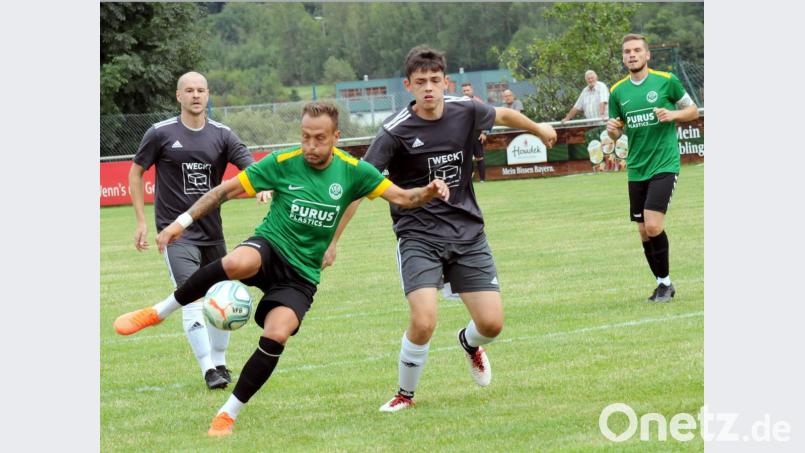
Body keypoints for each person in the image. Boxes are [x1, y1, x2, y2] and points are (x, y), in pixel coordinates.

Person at [114, 101, 450, 436]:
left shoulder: (355, 171)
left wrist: (429, 191)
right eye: (305, 137)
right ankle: (159, 311)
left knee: (277, 334)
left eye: (319, 138)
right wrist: (180, 223)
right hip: (271, 246)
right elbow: (224, 191)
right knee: (235, 261)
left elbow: (405, 198)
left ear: (336, 136)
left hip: (302, 273)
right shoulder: (284, 162)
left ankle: (228, 413)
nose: (310, 146)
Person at [324, 45, 556, 412]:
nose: (429, 88)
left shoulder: (465, 111)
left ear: (446, 81)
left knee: (492, 324)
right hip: (418, 235)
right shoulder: (394, 132)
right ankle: (405, 394)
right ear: (408, 85)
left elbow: (504, 114)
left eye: (435, 80)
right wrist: (332, 242)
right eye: (421, 82)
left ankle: (468, 342)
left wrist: (538, 128)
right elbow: (359, 186)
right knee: (423, 319)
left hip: (468, 231)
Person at [129, 71, 269, 390]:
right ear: (178, 96)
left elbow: (250, 166)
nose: (195, 95)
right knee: (191, 295)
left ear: (208, 95)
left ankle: (219, 362)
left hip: (212, 233)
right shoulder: (160, 133)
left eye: (201, 90)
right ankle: (209, 370)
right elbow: (136, 172)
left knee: (219, 297)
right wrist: (140, 221)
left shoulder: (222, 134)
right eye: (189, 90)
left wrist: (260, 187)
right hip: (176, 233)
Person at [606, 33, 699, 302]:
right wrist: (612, 131)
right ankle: (662, 284)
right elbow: (615, 133)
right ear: (623, 57)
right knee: (643, 230)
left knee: (654, 225)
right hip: (636, 167)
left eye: (636, 50)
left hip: (664, 164)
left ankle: (666, 285)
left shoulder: (666, 81)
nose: (631, 55)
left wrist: (673, 115)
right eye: (627, 51)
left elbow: (692, 110)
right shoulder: (617, 91)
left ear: (647, 55)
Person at [461, 82, 489, 182]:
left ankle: (482, 180)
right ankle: (468, 180)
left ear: (472, 90)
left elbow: (486, 117)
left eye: (467, 90)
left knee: (479, 157)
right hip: (464, 135)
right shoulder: (460, 103)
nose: (465, 92)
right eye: (464, 91)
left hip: (477, 134)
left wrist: (484, 132)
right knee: (466, 158)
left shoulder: (479, 102)